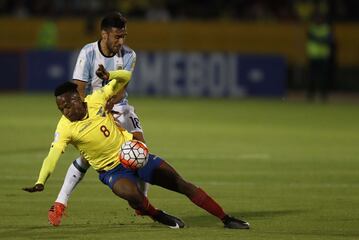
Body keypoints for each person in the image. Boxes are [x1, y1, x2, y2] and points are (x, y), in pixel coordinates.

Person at [23, 67, 250, 229]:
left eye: (66, 104)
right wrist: (41, 181)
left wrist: (110, 75)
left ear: (77, 99)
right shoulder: (65, 128)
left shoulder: (96, 99)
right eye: (60, 108)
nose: (64, 111)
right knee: (131, 194)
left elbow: (126, 76)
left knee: (182, 184)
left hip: (135, 155)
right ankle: (157, 215)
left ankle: (225, 218)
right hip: (112, 171)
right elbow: (52, 156)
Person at [46, 12, 149, 226]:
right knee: (88, 156)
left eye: (124, 36)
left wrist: (110, 104)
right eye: (117, 36)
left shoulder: (129, 55)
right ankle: (60, 203)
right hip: (91, 108)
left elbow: (121, 89)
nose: (121, 41)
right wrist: (91, 112)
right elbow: (78, 89)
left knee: (141, 150)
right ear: (104, 34)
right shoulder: (88, 52)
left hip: (118, 106)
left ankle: (141, 201)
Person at [306, 8, 334, 102]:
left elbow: (330, 40)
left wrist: (319, 39)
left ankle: (323, 96)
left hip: (323, 56)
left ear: (322, 19)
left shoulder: (326, 28)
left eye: (319, 18)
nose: (318, 20)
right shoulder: (312, 28)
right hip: (313, 56)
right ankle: (310, 96)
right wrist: (322, 40)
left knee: (323, 78)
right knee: (312, 77)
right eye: (316, 18)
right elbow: (312, 38)